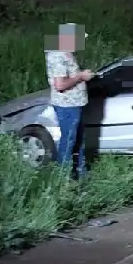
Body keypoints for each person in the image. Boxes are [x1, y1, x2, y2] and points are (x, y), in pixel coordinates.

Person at [45, 23, 93, 179]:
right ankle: (63, 178)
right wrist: (81, 76)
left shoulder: (67, 53)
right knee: (69, 141)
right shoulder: (57, 55)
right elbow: (60, 85)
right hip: (67, 106)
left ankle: (80, 174)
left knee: (78, 141)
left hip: (75, 104)